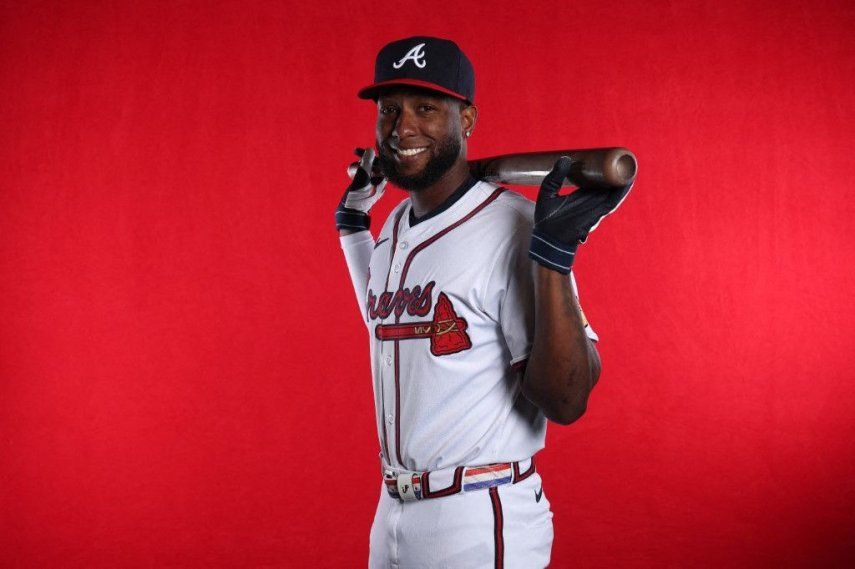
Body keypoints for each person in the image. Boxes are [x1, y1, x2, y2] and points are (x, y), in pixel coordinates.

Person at [336, 36, 631, 568]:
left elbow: (566, 401)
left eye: (426, 108)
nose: (402, 128)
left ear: (466, 120)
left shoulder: (512, 227)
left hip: (477, 513)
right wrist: (353, 227)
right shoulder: (397, 226)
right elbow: (384, 327)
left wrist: (553, 256)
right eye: (389, 110)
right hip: (393, 514)